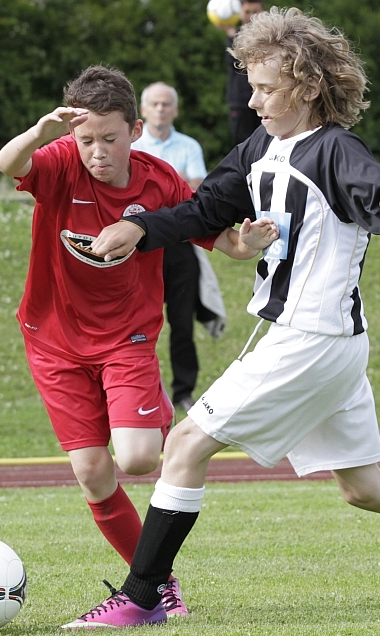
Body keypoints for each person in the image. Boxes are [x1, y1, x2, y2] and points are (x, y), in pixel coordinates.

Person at [62, 7, 380, 629]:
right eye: (251, 85)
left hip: (310, 340)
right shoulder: (261, 145)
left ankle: (142, 597)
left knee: (184, 445)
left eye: (265, 89)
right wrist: (140, 228)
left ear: (309, 87)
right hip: (332, 343)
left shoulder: (336, 150)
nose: (252, 100)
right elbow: (205, 209)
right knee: (364, 486)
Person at [0, 65, 268, 619]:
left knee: (140, 459)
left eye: (110, 139)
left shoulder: (159, 179)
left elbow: (214, 235)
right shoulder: (60, 161)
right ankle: (159, 585)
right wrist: (41, 133)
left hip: (127, 337)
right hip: (53, 340)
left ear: (136, 130)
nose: (97, 152)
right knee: (93, 473)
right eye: (87, 140)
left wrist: (245, 244)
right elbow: (7, 164)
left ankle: (152, 408)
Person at [132, 81, 226, 411]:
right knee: (138, 323)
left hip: (181, 245)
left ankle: (183, 391)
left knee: (182, 323)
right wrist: (176, 182)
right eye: (155, 104)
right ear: (144, 109)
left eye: (166, 104)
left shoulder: (189, 145)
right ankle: (140, 389)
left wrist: (158, 190)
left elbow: (195, 192)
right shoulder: (132, 144)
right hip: (141, 247)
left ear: (175, 109)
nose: (161, 109)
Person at [217, 0, 264, 146]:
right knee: (243, 144)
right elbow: (235, 62)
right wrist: (231, 36)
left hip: (264, 100)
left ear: (263, 12)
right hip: (240, 102)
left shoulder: (267, 37)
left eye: (255, 12)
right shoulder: (234, 37)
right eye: (247, 12)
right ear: (240, 13)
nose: (251, 16)